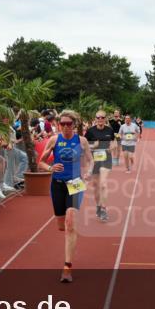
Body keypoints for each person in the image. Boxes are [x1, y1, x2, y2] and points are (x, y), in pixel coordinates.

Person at [40, 111, 93, 283]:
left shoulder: (81, 141)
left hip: (76, 184)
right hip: (57, 185)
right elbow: (40, 161)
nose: (65, 126)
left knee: (70, 223)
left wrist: (89, 173)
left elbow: (91, 161)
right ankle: (69, 230)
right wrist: (49, 168)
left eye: (69, 123)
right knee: (61, 225)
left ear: (74, 124)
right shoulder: (54, 140)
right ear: (58, 124)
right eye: (62, 123)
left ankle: (67, 266)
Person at [85, 110, 115, 223]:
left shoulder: (109, 130)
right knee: (96, 186)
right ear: (95, 118)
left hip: (106, 159)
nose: (100, 119)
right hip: (94, 160)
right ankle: (98, 206)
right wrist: (94, 146)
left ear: (105, 118)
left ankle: (103, 209)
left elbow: (114, 143)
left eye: (102, 117)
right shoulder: (90, 131)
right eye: (98, 117)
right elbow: (85, 145)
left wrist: (111, 147)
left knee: (103, 184)